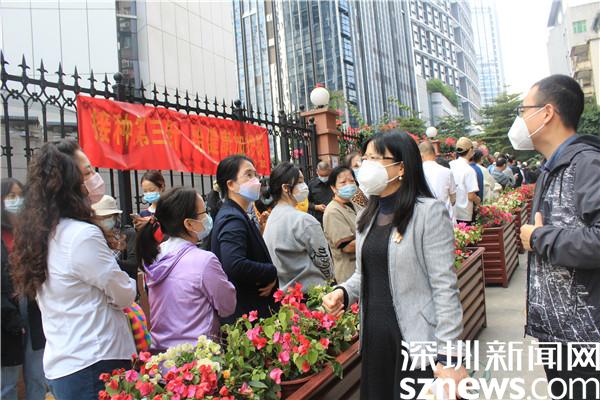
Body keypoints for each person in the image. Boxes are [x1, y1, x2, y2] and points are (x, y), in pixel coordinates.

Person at [322, 130, 466, 399]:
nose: (366, 166)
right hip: (375, 337)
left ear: (401, 167)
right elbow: (365, 274)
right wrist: (342, 292)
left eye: (375, 158)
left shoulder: (428, 213)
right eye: (364, 159)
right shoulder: (366, 215)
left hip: (415, 340)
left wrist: (449, 356)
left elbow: (445, 288)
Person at [10, 141, 136, 400]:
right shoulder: (81, 235)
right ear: (68, 182)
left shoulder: (42, 232)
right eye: (87, 173)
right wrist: (128, 285)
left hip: (67, 361)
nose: (95, 179)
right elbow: (123, 293)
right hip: (94, 361)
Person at [514, 75, 600, 399]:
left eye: (524, 110)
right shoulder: (552, 167)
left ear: (547, 112)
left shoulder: (587, 164)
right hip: (560, 333)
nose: (520, 120)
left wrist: (540, 238)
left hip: (586, 338)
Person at [137, 187, 236, 348]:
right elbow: (227, 306)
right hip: (199, 356)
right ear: (189, 223)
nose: (207, 218)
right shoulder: (204, 261)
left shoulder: (154, 256)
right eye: (204, 213)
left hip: (161, 354)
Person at [210, 155, 279, 323]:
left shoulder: (237, 213)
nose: (256, 180)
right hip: (246, 314)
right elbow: (234, 264)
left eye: (255, 175)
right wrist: (270, 271)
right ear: (231, 184)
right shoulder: (232, 218)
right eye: (248, 175)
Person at [1, 178, 47, 400]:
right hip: (5, 313)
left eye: (20, 195)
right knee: (6, 383)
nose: (17, 200)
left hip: (33, 307)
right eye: (11, 196)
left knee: (37, 377)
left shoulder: (31, 233)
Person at [263, 162, 334, 291]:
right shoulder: (304, 221)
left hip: (287, 294)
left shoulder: (271, 218)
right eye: (300, 182)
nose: (304, 186)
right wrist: (330, 279)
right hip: (313, 293)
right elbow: (324, 262)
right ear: (286, 188)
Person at [323, 166, 361, 284]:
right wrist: (374, 237)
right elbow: (347, 247)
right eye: (343, 182)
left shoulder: (355, 203)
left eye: (351, 181)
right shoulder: (332, 211)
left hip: (363, 269)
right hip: (349, 273)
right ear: (333, 188)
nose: (349, 185)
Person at [92, 195, 138, 281]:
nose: (102, 220)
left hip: (124, 282)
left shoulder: (128, 233)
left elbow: (133, 263)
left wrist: (106, 262)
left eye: (106, 217)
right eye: (99, 218)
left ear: (115, 216)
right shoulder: (93, 234)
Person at [419, 141, 456, 221]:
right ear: (434, 154)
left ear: (420, 155)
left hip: (425, 219)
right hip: (446, 218)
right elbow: (453, 198)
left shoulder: (416, 172)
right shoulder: (447, 171)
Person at [449, 137, 481, 224]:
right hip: (464, 213)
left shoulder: (450, 165)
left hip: (452, 211)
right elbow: (471, 196)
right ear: (470, 150)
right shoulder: (469, 170)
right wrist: (478, 200)